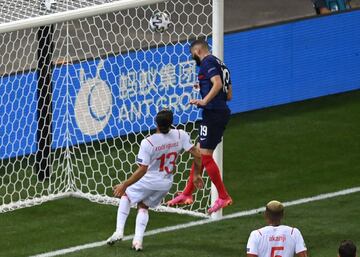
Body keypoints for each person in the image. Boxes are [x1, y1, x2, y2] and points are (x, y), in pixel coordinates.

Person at [106, 109, 202, 250]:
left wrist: (124, 185)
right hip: (166, 183)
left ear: (156, 123)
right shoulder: (181, 135)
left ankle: (119, 231)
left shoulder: (148, 142)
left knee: (126, 195)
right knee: (144, 206)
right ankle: (137, 242)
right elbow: (198, 155)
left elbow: (142, 169)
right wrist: (196, 174)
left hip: (148, 180)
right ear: (171, 123)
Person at [167, 39, 233, 214]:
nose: (192, 58)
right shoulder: (221, 64)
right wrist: (204, 89)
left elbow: (217, 84)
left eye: (192, 55)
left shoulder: (207, 62)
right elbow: (229, 95)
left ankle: (223, 196)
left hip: (213, 114)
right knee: (199, 151)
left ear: (197, 51)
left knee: (204, 156)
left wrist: (204, 100)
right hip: (218, 112)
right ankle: (187, 194)